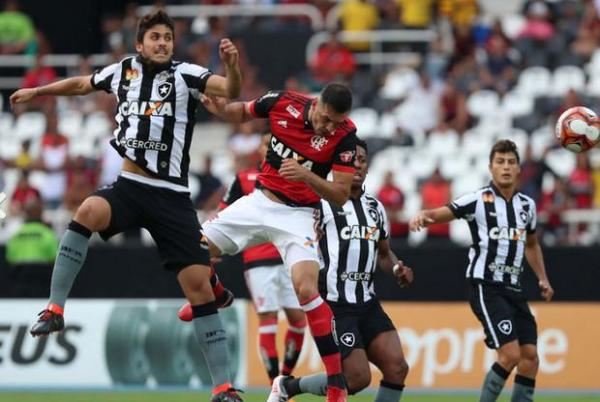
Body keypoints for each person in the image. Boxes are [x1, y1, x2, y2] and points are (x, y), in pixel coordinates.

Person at [10, 9, 243, 402]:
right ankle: (54, 309)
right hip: (130, 186)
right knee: (85, 213)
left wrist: (233, 68)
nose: (162, 43)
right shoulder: (124, 71)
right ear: (140, 44)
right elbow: (83, 83)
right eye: (155, 37)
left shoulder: (186, 74)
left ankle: (223, 387)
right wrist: (39, 91)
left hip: (171, 196)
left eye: (167, 38)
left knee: (197, 290)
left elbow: (231, 91)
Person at [198, 82, 358, 402]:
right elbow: (242, 110)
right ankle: (217, 293)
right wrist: (219, 109)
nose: (329, 127)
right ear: (316, 104)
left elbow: (340, 195)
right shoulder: (283, 102)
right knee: (192, 253)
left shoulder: (345, 135)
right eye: (325, 118)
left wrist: (307, 176)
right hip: (260, 202)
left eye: (335, 122)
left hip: (299, 216)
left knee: (306, 289)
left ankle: (336, 384)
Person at [267, 138, 413, 402]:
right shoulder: (319, 204)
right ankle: (289, 386)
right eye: (351, 159)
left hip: (367, 303)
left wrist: (396, 268)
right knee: (357, 378)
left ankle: (288, 386)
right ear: (338, 165)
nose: (357, 165)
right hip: (335, 304)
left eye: (362, 160)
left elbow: (384, 253)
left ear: (368, 167)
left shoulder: (375, 207)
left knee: (397, 368)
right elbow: (301, 243)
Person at [410, 139, 554, 402]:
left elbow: (531, 244)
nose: (506, 167)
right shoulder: (478, 200)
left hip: (515, 289)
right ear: (491, 167)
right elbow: (447, 212)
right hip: (486, 286)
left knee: (530, 357)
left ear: (519, 168)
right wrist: (425, 215)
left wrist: (542, 278)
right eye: (500, 162)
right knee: (510, 354)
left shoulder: (527, 206)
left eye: (511, 162)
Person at [179, 133, 306, 384]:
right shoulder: (244, 179)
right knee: (268, 319)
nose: (270, 149)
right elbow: (225, 215)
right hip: (259, 262)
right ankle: (275, 386)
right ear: (259, 150)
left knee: (298, 320)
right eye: (266, 144)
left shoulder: (295, 179)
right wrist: (212, 244)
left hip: (289, 259)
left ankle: (285, 379)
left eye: (275, 145)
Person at [5, 197, 58, 297]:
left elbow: (10, 258)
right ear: (41, 213)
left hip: (20, 278)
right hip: (42, 279)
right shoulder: (47, 233)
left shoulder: (16, 234)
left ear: (26, 213)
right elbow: (55, 258)